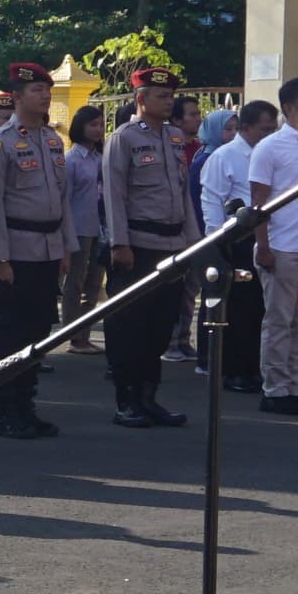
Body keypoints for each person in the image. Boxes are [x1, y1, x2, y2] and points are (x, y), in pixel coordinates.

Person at [0, 72, 77, 440]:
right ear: (18, 97)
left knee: (38, 332)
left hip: (47, 250)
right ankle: (4, 408)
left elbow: (61, 199)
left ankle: (26, 404)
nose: (45, 96)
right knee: (9, 334)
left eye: (48, 90)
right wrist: (0, 258)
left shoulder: (53, 141)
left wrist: (65, 248)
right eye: (38, 90)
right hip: (15, 252)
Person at [96, 69, 199, 429]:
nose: (169, 100)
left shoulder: (174, 137)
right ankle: (127, 401)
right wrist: (119, 243)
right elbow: (113, 195)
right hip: (138, 245)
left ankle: (148, 397)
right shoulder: (123, 139)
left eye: (171, 94)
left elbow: (183, 192)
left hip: (172, 243)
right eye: (160, 95)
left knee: (160, 325)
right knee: (130, 326)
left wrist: (193, 240)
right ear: (141, 99)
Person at [245, 78, 298, 415]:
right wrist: (263, 247)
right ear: (289, 108)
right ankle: (275, 388)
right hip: (282, 248)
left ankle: (295, 387)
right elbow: (258, 203)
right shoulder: (269, 148)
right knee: (279, 320)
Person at [195, 100, 275, 391]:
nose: (268, 134)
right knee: (238, 309)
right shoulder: (225, 156)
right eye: (263, 129)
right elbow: (212, 200)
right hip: (235, 238)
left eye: (272, 128)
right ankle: (233, 371)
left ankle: (253, 368)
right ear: (246, 127)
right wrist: (217, 242)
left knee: (258, 308)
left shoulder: (270, 152)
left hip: (265, 236)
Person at [61, 101, 111, 330]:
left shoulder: (102, 158)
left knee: (94, 283)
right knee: (75, 282)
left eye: (101, 124)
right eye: (92, 124)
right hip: (78, 229)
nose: (98, 129)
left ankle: (85, 333)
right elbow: (66, 199)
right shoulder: (71, 160)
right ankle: (71, 330)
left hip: (100, 229)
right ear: (80, 127)